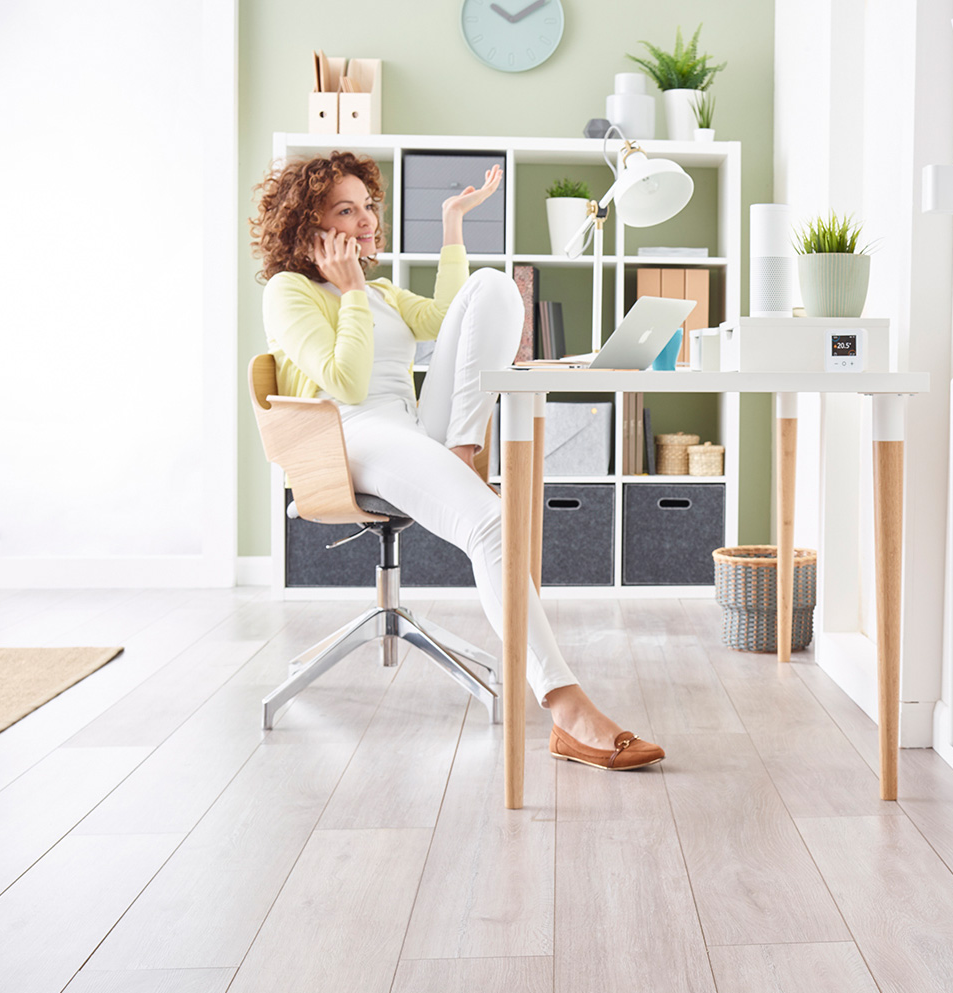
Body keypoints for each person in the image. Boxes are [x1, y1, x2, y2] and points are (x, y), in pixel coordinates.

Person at [253, 150, 662, 772]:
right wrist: (354, 293)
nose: (365, 222)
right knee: (491, 523)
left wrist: (450, 226)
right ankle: (567, 709)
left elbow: (457, 322)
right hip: (349, 435)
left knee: (494, 283)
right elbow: (349, 381)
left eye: (368, 206)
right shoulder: (289, 293)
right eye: (346, 210)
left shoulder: (383, 290)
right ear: (307, 224)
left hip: (415, 429)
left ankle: (464, 450)